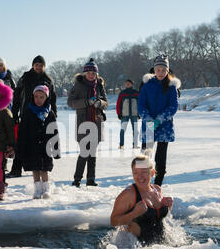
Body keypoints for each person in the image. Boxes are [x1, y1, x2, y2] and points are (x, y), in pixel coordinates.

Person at [9, 55, 58, 178]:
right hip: (27, 113)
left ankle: (40, 167)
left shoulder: (48, 80)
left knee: (41, 143)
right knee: (23, 140)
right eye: (36, 65)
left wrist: (54, 114)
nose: (38, 67)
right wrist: (15, 113)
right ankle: (16, 169)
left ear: (44, 66)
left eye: (41, 65)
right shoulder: (25, 77)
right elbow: (17, 96)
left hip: (43, 115)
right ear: (32, 65)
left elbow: (53, 99)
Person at [110, 154, 174, 246]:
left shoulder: (157, 190)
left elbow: (156, 218)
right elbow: (113, 222)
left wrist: (168, 205)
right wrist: (134, 213)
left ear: (152, 173)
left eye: (143, 172)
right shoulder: (128, 195)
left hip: (161, 247)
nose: (139, 176)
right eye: (135, 172)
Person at [138, 54, 180, 186]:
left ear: (167, 71)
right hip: (149, 124)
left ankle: (157, 185)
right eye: (158, 70)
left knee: (160, 157)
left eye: (163, 70)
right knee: (145, 155)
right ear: (154, 70)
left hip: (164, 126)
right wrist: (149, 119)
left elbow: (173, 107)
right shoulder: (147, 86)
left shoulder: (171, 87)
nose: (160, 73)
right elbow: (141, 105)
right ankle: (142, 183)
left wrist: (160, 119)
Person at [68, 58, 108, 187]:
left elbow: (106, 103)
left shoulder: (99, 85)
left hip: (96, 121)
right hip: (83, 122)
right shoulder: (79, 85)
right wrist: (86, 102)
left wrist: (99, 103)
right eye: (89, 73)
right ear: (85, 74)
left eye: (94, 73)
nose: (91, 75)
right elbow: (71, 102)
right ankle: (77, 179)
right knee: (85, 151)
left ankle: (91, 179)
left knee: (93, 152)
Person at [17, 85, 60, 199]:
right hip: (31, 145)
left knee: (44, 168)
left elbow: (54, 132)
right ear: (33, 97)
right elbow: (22, 131)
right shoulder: (28, 112)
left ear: (46, 98)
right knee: (34, 168)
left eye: (41, 97)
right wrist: (20, 148)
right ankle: (37, 189)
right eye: (36, 97)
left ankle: (46, 188)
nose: (38, 100)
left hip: (45, 146)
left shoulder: (50, 113)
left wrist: (56, 149)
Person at [116, 79, 140, 149]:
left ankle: (135, 144)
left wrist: (139, 113)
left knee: (135, 130)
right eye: (126, 83)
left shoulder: (136, 93)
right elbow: (118, 104)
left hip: (134, 114)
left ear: (132, 84)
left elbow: (140, 104)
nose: (127, 84)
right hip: (124, 115)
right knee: (122, 130)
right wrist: (119, 113)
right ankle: (121, 145)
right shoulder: (122, 93)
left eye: (129, 83)